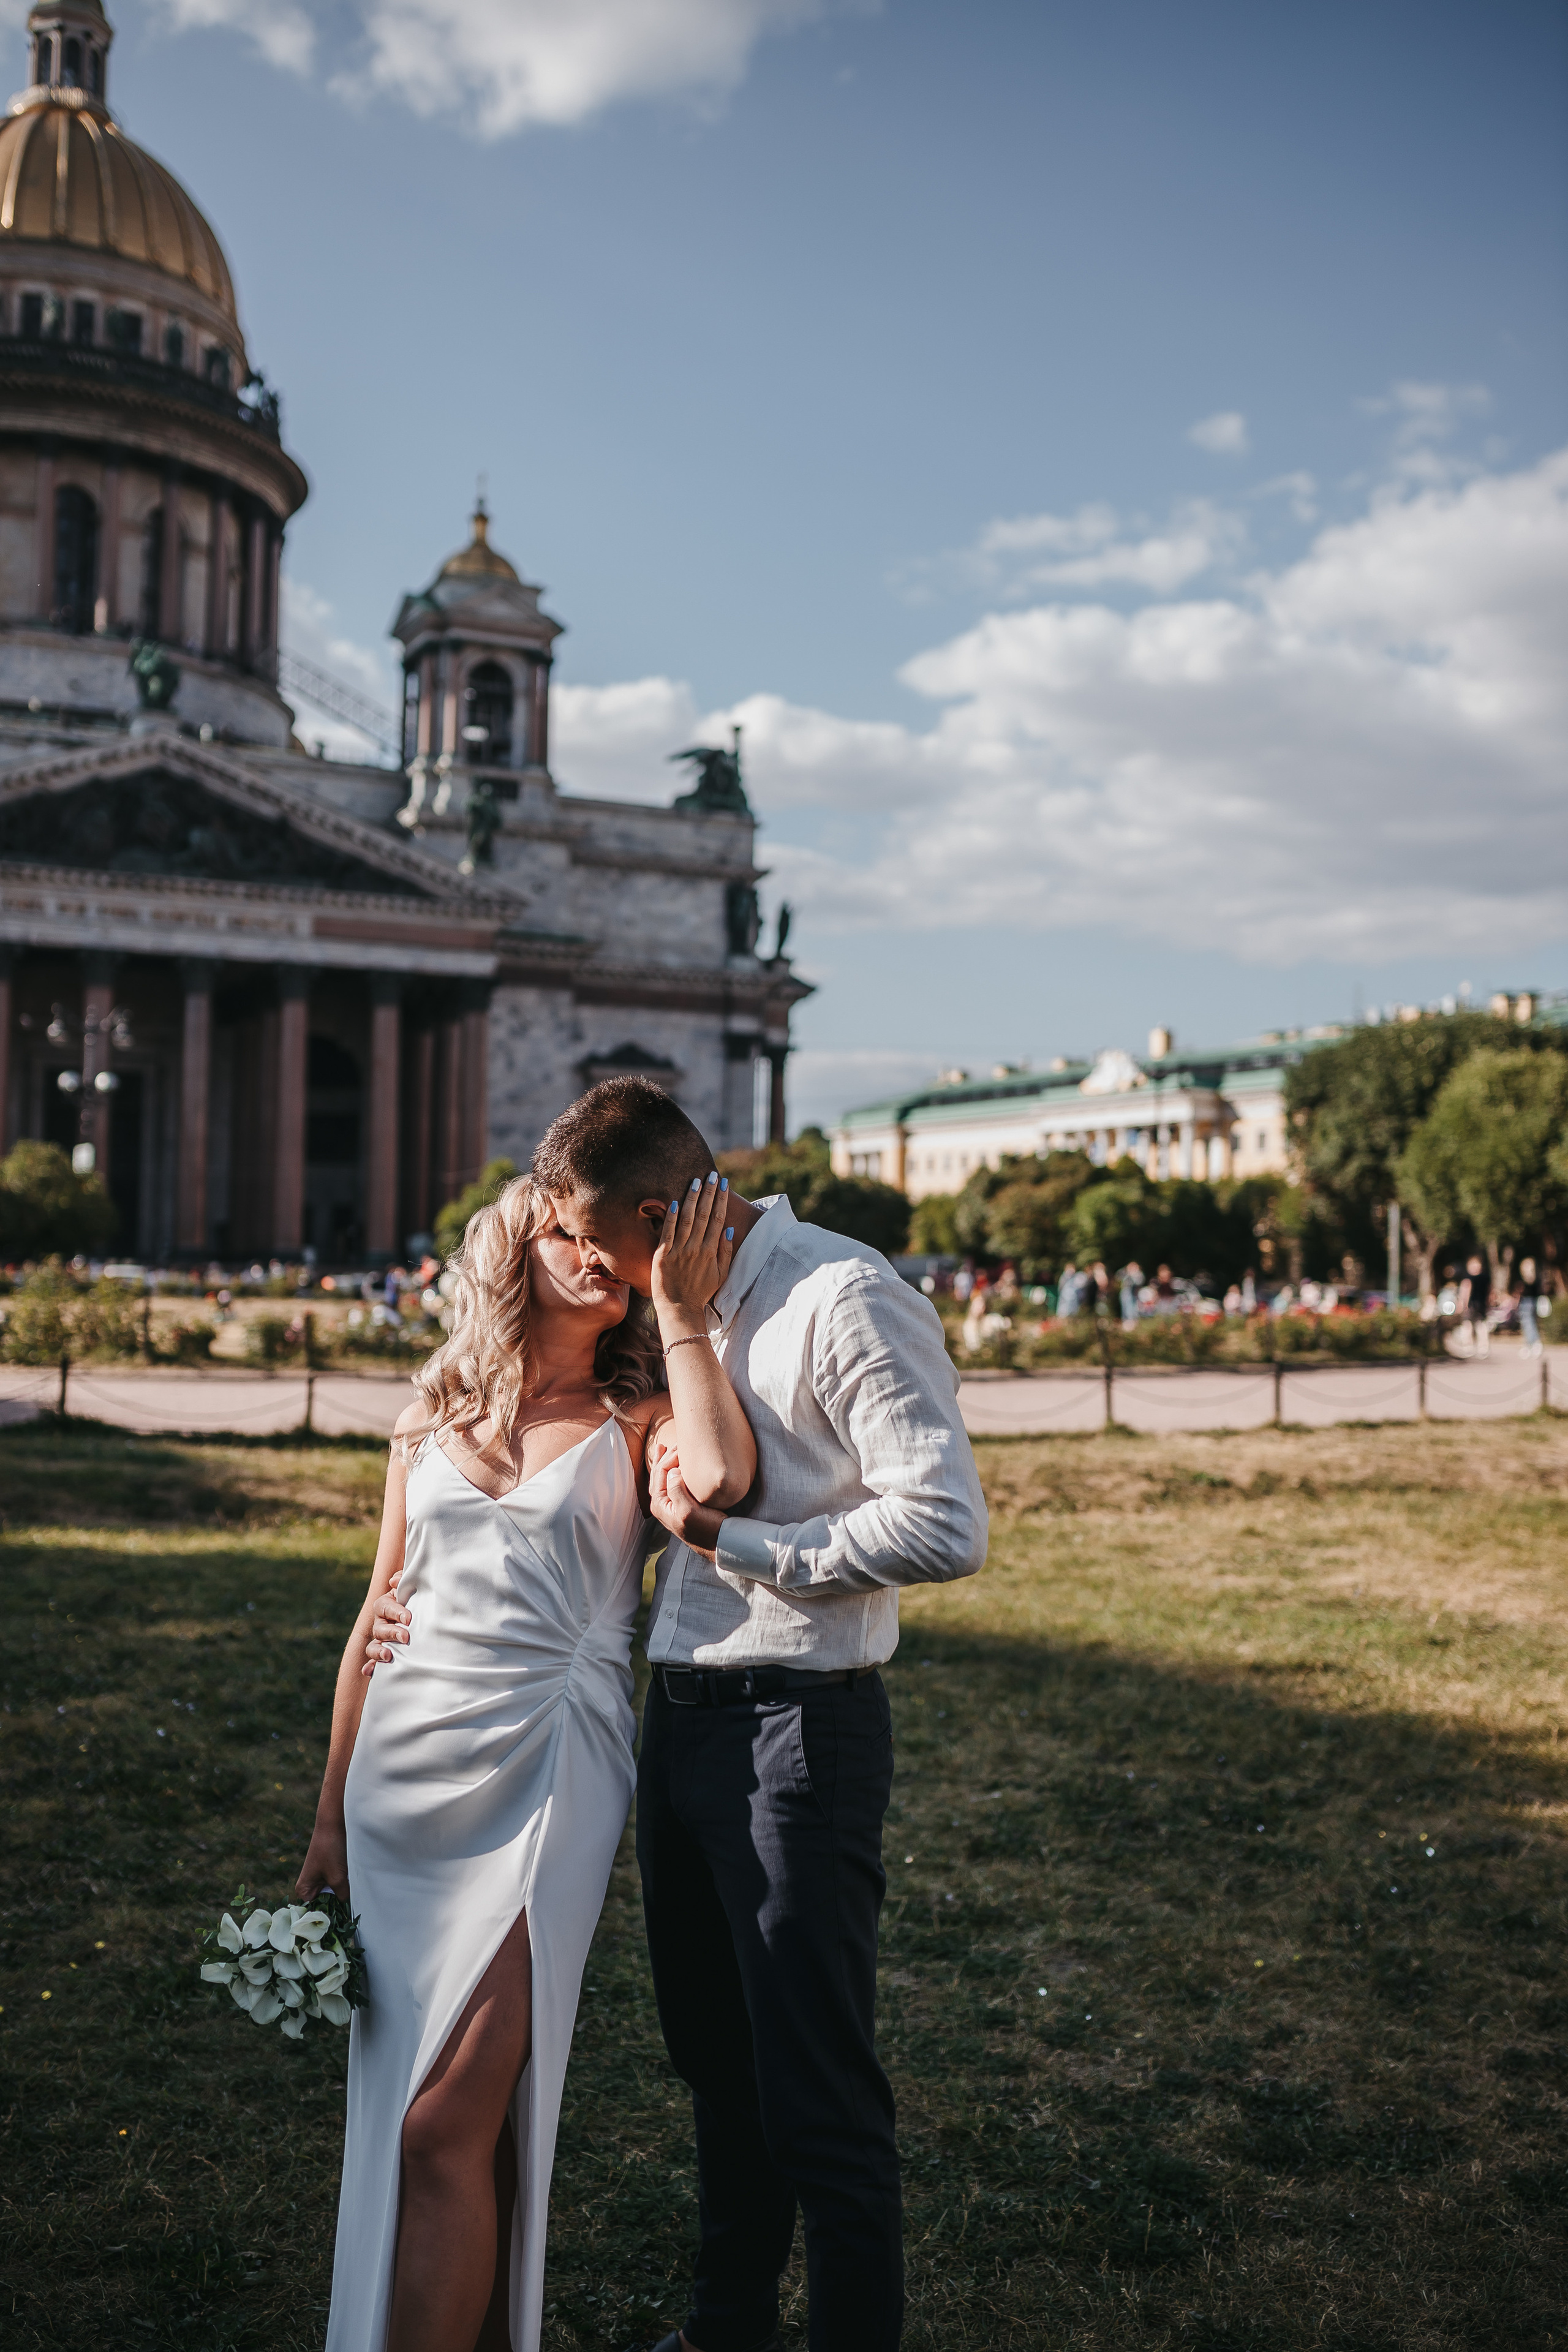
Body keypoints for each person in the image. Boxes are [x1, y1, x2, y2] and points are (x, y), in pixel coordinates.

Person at [373, 1078, 988, 2352]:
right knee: (716, 2062)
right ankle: (724, 2333)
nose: (575, 1259)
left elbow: (943, 1525)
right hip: (681, 1719)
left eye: (588, 1237)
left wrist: (736, 1542)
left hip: (801, 1728)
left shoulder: (842, 1294)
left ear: (655, 1217)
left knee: (817, 2088)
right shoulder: (670, 1314)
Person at [299, 1161, 756, 2352]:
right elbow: (375, 1612)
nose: (597, 1254)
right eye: (567, 1234)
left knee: (441, 2122)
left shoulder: (640, 1418)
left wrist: (684, 1314)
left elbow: (725, 1481)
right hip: (402, 1784)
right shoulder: (429, 1415)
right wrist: (329, 1819)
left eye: (613, 1247)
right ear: (516, 1250)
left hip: (553, 1766)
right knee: (451, 2119)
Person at [1457, 1254, 1491, 1359]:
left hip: (1474, 1305)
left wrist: (1463, 1304)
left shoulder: (1470, 1278)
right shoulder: (1485, 1278)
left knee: (1473, 1326)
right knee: (1476, 1326)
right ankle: (1479, 1347)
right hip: (1478, 1305)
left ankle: (1473, 1347)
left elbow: (1465, 1291)